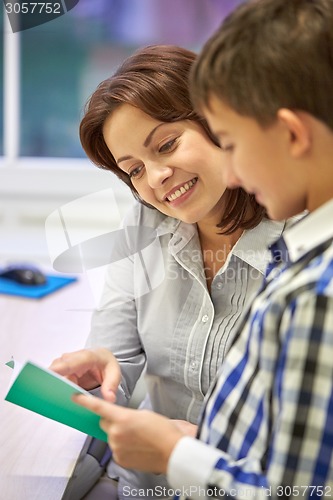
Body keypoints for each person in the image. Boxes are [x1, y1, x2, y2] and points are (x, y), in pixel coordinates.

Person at [73, 0, 333, 498]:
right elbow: (115, 354)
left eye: (166, 145)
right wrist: (102, 370)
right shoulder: (146, 223)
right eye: (133, 169)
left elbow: (292, 482)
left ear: (215, 126)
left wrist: (182, 455)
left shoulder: (303, 271)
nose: (154, 179)